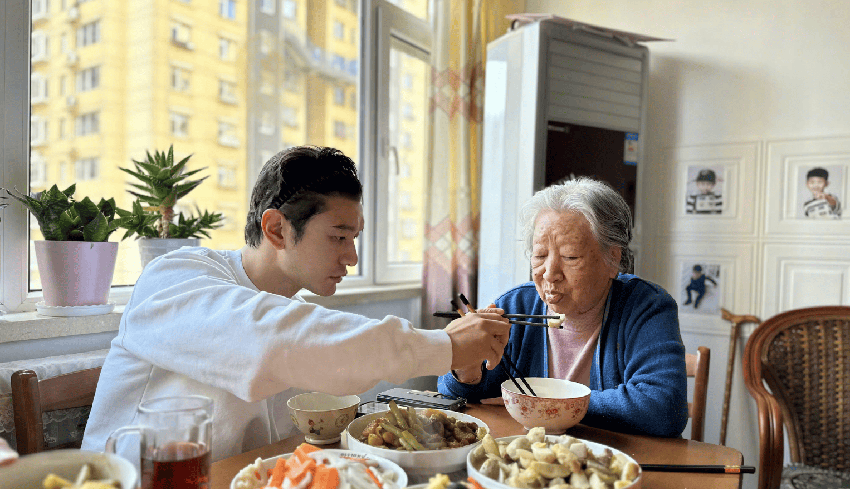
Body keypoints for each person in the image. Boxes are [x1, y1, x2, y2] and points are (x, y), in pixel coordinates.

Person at [82, 146, 510, 462]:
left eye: (354, 239)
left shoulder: (296, 318)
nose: (352, 257)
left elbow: (318, 367)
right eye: (339, 237)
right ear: (276, 228)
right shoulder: (174, 278)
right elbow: (270, 340)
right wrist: (444, 346)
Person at [438, 178, 688, 437]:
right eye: (540, 255)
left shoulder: (647, 307)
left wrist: (547, 404)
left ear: (612, 259)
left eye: (570, 257)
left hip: (617, 465)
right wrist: (466, 369)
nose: (549, 273)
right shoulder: (516, 305)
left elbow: (664, 408)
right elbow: (462, 396)